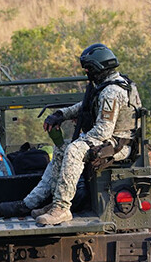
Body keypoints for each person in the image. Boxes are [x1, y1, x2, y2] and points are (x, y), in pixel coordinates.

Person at [32, 43, 143, 225]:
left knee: (74, 150)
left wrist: (81, 141)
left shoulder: (111, 91)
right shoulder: (107, 85)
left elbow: (103, 130)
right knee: (62, 148)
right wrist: (61, 114)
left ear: (99, 67)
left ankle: (62, 208)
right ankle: (55, 203)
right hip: (110, 140)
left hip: (117, 145)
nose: (86, 72)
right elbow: (84, 107)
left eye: (89, 68)